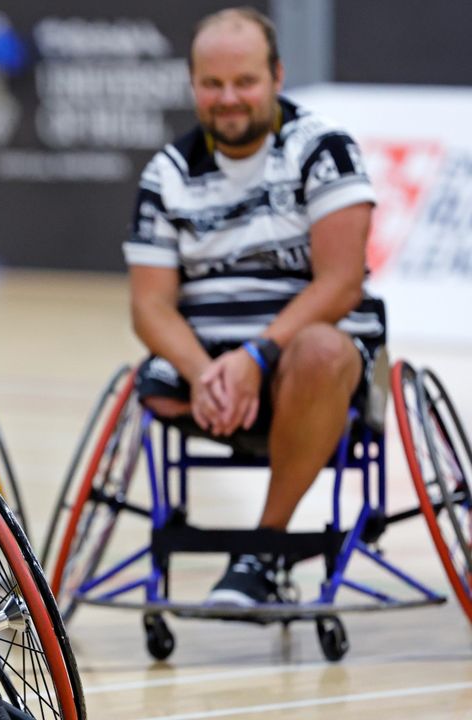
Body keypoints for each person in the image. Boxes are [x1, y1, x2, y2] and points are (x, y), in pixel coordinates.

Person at [124, 7, 383, 606]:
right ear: (193, 85)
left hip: (309, 357)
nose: (229, 98)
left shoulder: (324, 150)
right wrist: (204, 371)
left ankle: (263, 549)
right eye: (213, 84)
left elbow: (341, 284)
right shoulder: (167, 173)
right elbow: (151, 307)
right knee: (153, 381)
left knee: (319, 349)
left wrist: (257, 357)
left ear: (277, 77)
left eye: (245, 82)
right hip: (211, 371)